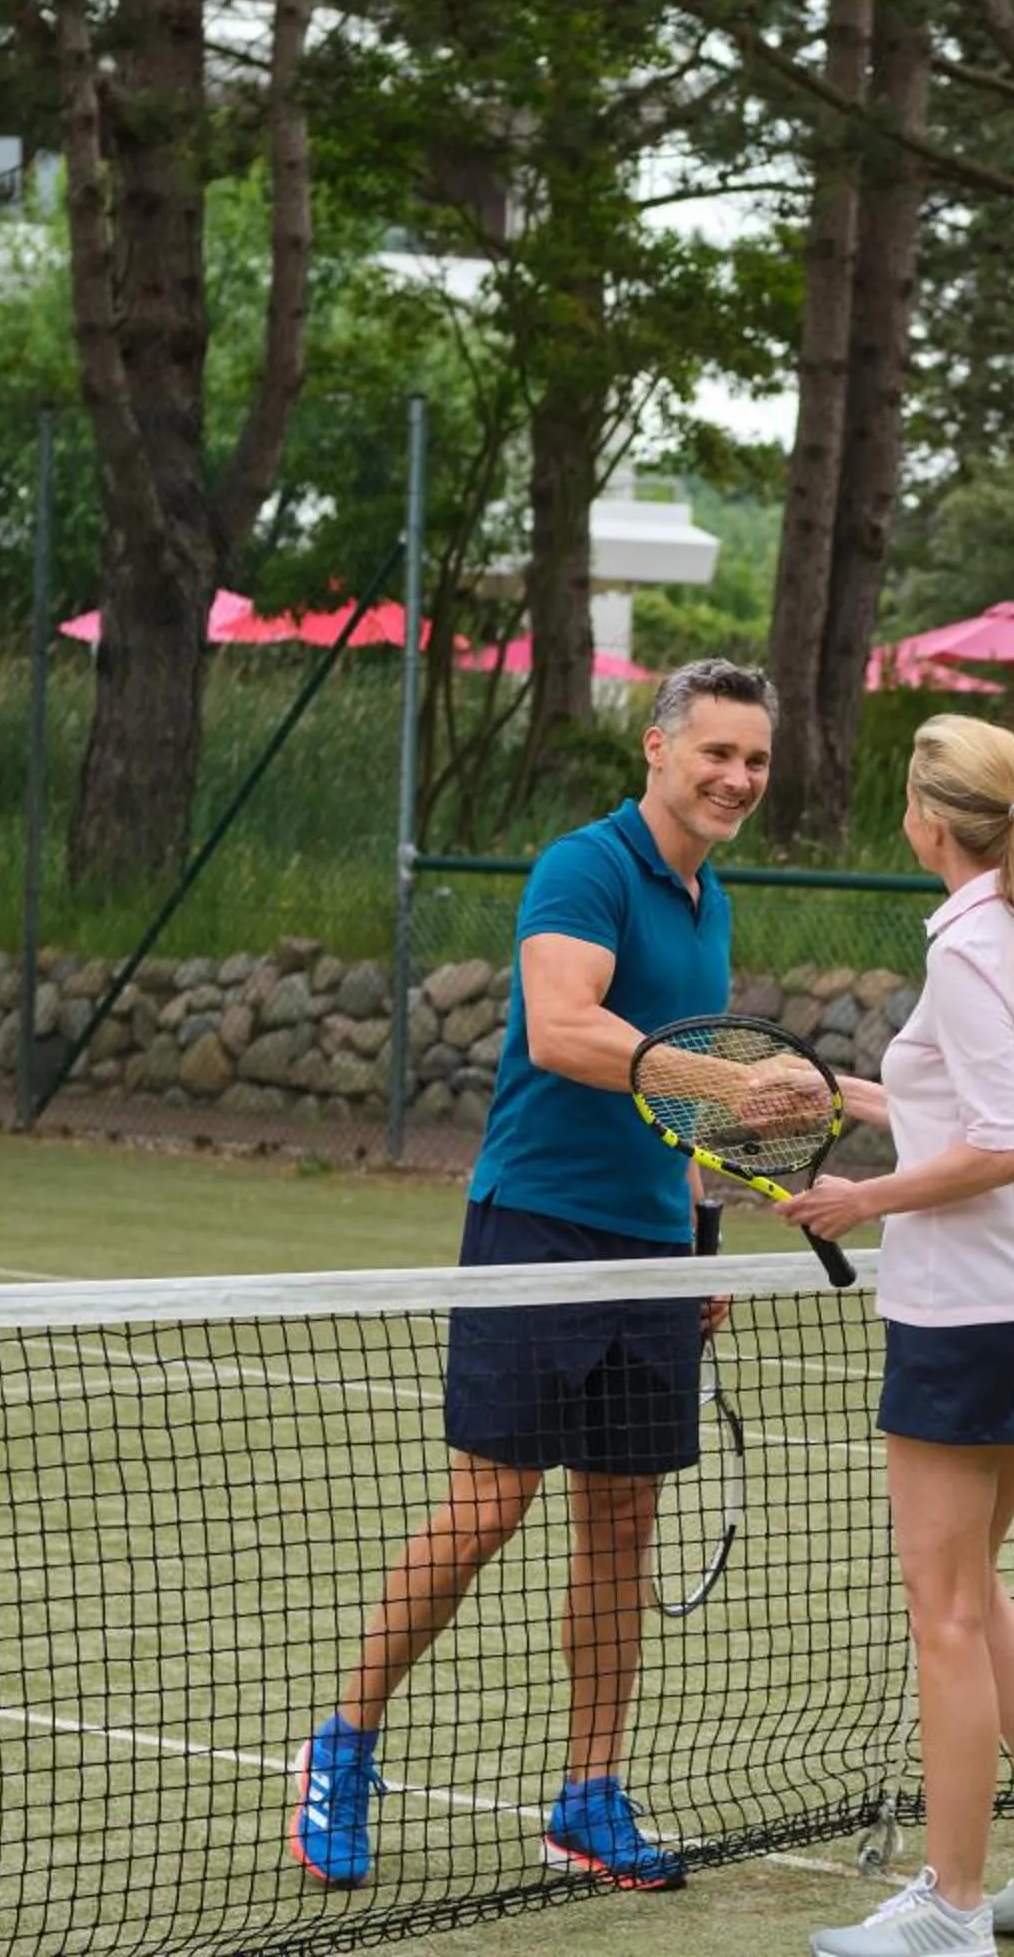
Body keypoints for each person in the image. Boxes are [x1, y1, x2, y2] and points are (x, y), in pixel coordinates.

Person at [290, 658, 778, 1892]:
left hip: (646, 1247)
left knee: (620, 1524)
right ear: (657, 750)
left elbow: (670, 1107)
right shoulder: (585, 867)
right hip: (538, 1230)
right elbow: (564, 1030)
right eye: (716, 751)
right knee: (485, 1507)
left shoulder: (707, 897)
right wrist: (734, 1087)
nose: (736, 776)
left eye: (756, 760)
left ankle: (588, 1795)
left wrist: (695, 1237)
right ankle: (342, 1743)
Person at [776, 715, 1014, 1957]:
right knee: (975, 1589)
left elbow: (1004, 1143)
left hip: (971, 1313)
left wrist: (856, 1197)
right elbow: (981, 1104)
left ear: (926, 820)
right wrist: (846, 1097)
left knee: (942, 1608)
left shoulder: (973, 949)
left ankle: (953, 1901)